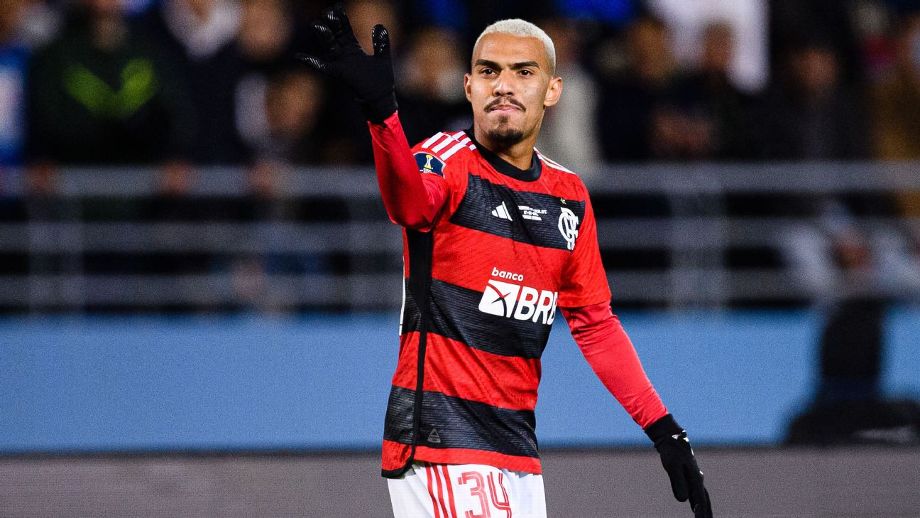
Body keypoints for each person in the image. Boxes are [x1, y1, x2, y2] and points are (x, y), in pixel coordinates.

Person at [299, 6, 713, 517]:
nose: (504, 85)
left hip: (517, 453)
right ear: (468, 86)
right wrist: (383, 114)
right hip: (440, 442)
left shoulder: (570, 197)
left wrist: (663, 429)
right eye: (490, 72)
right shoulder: (445, 160)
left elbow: (596, 326)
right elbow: (406, 204)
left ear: (553, 91)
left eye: (524, 72)